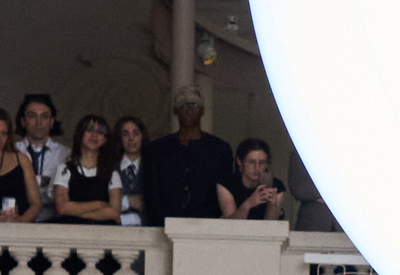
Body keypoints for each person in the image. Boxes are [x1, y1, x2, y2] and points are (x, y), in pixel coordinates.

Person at [141, 90, 235, 221]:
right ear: (175, 110)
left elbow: (225, 189)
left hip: (207, 225)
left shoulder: (219, 149)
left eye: (194, 106)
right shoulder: (157, 149)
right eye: (183, 106)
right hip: (165, 225)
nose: (189, 111)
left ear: (202, 110)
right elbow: (152, 192)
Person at [51, 116, 119, 225]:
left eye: (100, 132)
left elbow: (114, 213)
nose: (94, 135)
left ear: (105, 139)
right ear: (80, 134)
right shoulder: (64, 169)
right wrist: (99, 205)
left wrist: (75, 212)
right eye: (89, 130)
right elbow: (62, 208)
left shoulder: (112, 174)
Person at [13, 95, 67, 212]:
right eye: (32, 116)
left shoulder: (66, 155)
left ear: (52, 121)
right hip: (18, 218)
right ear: (23, 121)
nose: (38, 122)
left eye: (44, 116)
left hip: (55, 221)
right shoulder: (11, 151)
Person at [220, 138, 288, 223]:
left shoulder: (276, 185)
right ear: (240, 162)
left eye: (262, 162)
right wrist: (249, 204)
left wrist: (273, 205)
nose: (257, 168)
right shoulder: (227, 184)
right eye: (251, 162)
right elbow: (230, 225)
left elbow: (271, 228)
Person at [108, 116, 148, 226]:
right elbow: (100, 204)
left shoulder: (152, 167)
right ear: (119, 138)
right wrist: (128, 201)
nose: (131, 139)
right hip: (113, 233)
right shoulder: (108, 168)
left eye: (136, 133)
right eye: (125, 134)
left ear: (142, 136)